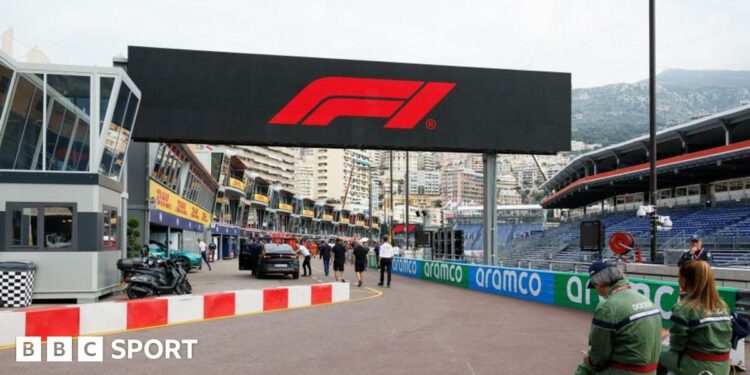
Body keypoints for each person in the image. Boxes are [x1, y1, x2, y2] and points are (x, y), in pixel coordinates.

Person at [574, 260, 661, 375]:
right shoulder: (645, 299)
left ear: (599, 282)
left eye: (594, 285)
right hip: (651, 370)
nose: (596, 291)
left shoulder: (607, 307)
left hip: (626, 371)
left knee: (583, 369)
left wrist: (589, 363)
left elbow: (599, 355)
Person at [657, 260, 732, 375]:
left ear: (685, 281)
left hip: (699, 366)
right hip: (723, 366)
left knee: (655, 349)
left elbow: (677, 346)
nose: (678, 280)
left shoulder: (684, 308)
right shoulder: (723, 305)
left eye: (680, 277)